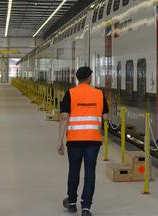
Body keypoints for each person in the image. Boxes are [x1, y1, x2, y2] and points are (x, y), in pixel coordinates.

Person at [57, 67, 108, 216]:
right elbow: (105, 118)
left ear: (78, 79)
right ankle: (86, 208)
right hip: (93, 140)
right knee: (90, 172)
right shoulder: (99, 94)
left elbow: (64, 118)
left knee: (74, 170)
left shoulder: (70, 93)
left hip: (74, 140)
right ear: (90, 78)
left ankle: (72, 203)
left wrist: (60, 141)